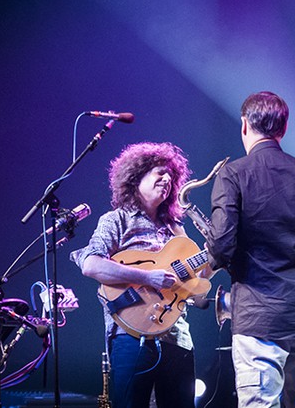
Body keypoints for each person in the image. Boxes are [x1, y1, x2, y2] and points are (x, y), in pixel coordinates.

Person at [205, 91, 295, 408]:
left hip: (258, 319)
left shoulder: (232, 175)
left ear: (244, 125)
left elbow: (220, 245)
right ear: (283, 130)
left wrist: (222, 260)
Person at [70, 142, 201, 408]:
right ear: (136, 177)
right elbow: (91, 265)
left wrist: (216, 255)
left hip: (177, 336)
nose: (167, 179)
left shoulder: (175, 229)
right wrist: (147, 278)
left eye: (171, 176)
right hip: (130, 335)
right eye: (159, 173)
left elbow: (197, 284)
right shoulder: (116, 220)